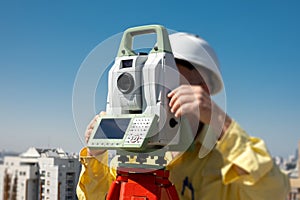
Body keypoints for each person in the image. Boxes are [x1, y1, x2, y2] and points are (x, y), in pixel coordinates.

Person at [76, 32, 290, 199]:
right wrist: (96, 156)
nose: (156, 95)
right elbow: (97, 196)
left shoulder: (224, 163)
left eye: (167, 83)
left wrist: (219, 120)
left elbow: (274, 192)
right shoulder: (139, 153)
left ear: (202, 90)